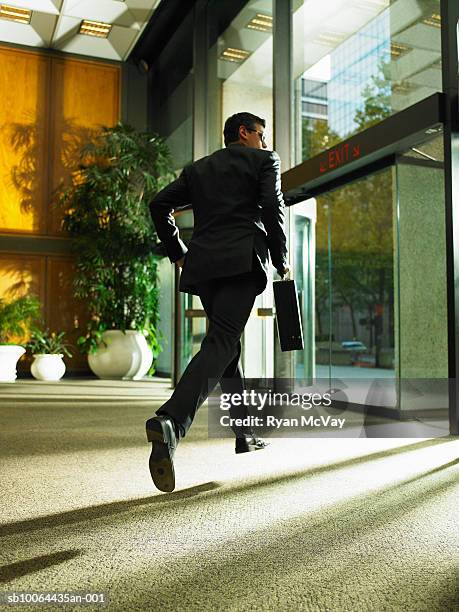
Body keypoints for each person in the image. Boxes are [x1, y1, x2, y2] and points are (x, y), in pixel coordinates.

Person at [146, 112, 289, 492]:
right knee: (222, 341)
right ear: (244, 133)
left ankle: (244, 432)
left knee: (227, 346)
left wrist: (178, 252)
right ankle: (171, 422)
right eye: (260, 134)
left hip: (203, 266)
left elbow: (159, 205)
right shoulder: (264, 160)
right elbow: (273, 209)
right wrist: (282, 260)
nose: (263, 141)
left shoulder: (198, 170)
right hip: (242, 262)